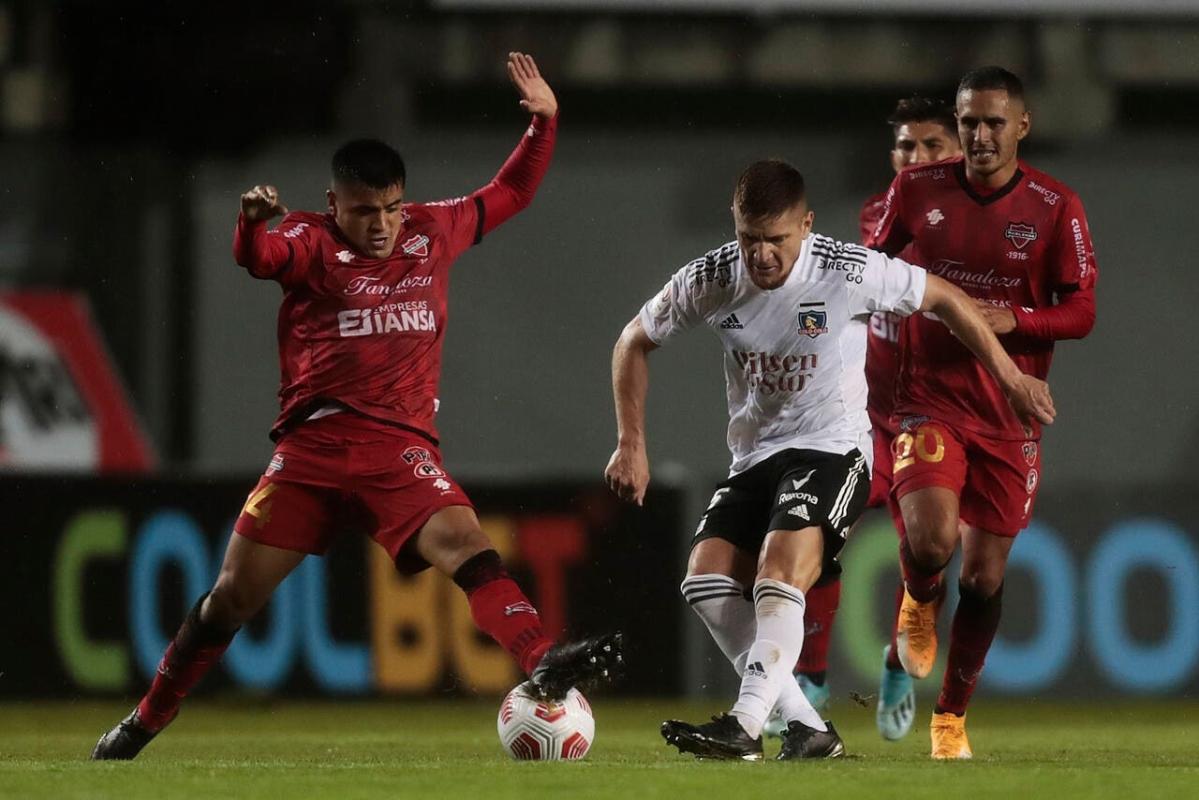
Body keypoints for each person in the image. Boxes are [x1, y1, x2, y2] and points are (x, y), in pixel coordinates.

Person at [92, 52, 621, 761]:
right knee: (229, 600)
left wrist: (543, 124)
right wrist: (249, 225)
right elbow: (259, 259)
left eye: (391, 207)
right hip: (310, 453)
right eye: (365, 211)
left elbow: (511, 192)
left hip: (397, 452)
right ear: (333, 203)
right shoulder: (309, 241)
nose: (382, 225)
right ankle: (144, 721)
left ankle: (542, 660)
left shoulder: (433, 231)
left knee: (469, 546)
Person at [604, 159, 1053, 761]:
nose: (761, 254)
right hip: (754, 457)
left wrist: (1010, 379)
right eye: (749, 238)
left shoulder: (848, 271)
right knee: (705, 581)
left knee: (777, 572)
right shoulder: (711, 277)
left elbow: (945, 298)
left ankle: (744, 725)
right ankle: (809, 728)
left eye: (776, 239)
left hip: (832, 449)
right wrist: (631, 442)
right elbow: (631, 342)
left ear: (807, 225)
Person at [866, 66, 1097, 759]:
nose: (980, 135)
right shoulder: (915, 190)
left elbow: (1082, 310)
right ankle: (917, 598)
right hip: (929, 398)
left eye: (994, 122)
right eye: (969, 122)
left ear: (1022, 125)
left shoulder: (1055, 206)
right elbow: (865, 269)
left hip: (1008, 412)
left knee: (983, 578)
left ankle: (949, 720)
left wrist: (1016, 319)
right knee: (933, 541)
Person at [789, 96, 961, 744]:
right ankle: (809, 677)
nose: (916, 158)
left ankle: (897, 660)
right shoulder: (876, 215)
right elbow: (843, 296)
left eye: (931, 146)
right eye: (906, 147)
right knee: (818, 530)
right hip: (865, 412)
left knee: (927, 547)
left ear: (957, 153)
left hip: (934, 415)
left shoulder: (972, 232)